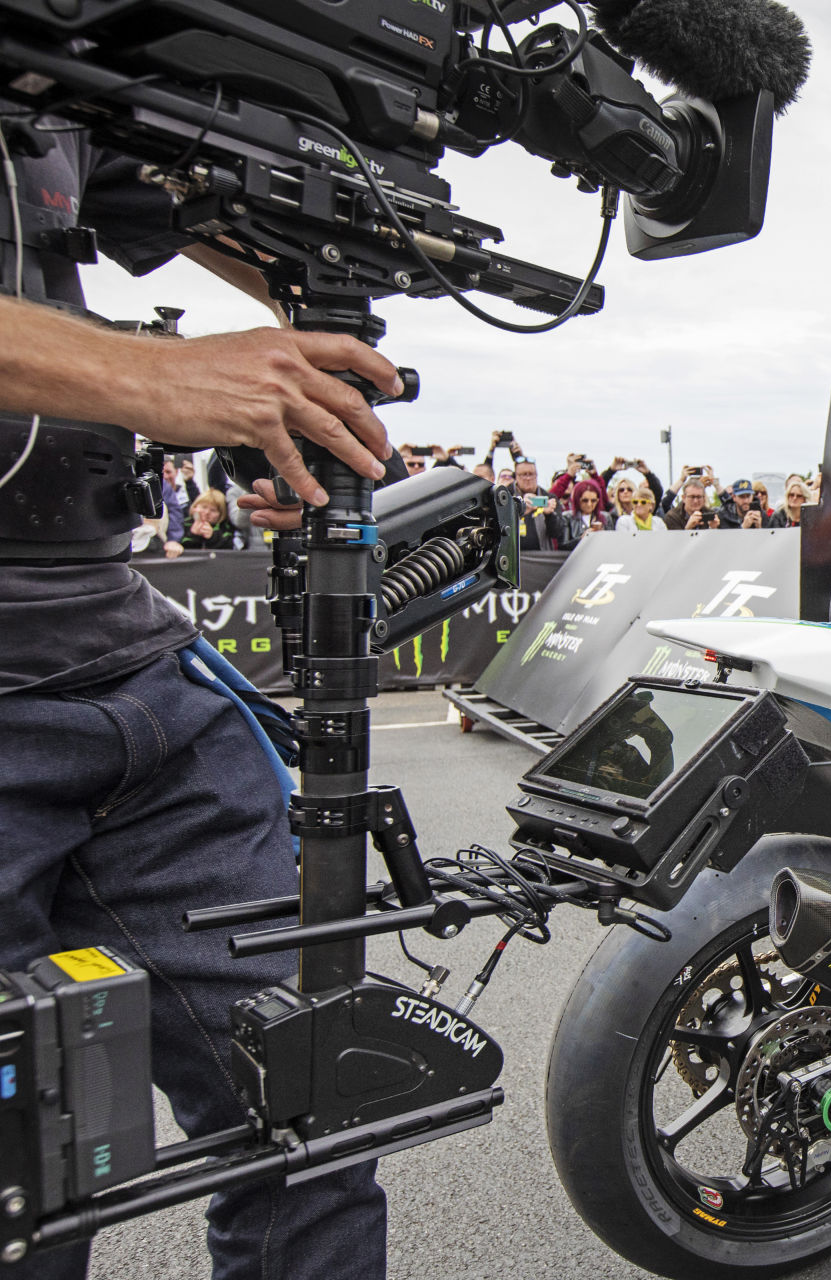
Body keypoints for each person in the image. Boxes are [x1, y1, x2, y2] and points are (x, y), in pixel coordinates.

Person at [0, 126, 392, 1278]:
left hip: (127, 659)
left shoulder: (66, 86)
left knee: (316, 1107)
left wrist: (288, 387)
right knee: (28, 1200)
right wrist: (150, 373)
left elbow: (198, 204)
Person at [509, 458, 565, 551]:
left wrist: (549, 515)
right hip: (514, 555)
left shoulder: (549, 497)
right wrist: (520, 511)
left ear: (536, 475)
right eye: (523, 474)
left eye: (531, 474)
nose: (528, 478)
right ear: (516, 477)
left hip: (540, 557)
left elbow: (557, 533)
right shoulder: (507, 495)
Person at [180, 491, 246, 551]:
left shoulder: (225, 527)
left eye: (213, 510)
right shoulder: (184, 524)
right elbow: (180, 547)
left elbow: (230, 546)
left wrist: (212, 536)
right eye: (204, 507)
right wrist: (193, 535)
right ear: (195, 507)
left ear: (221, 514)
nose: (207, 512)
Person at [561, 476, 613, 546]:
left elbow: (611, 543)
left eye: (593, 501)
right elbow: (562, 546)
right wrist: (581, 539)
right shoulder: (567, 517)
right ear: (577, 500)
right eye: (585, 500)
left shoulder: (606, 517)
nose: (589, 504)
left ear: (598, 500)